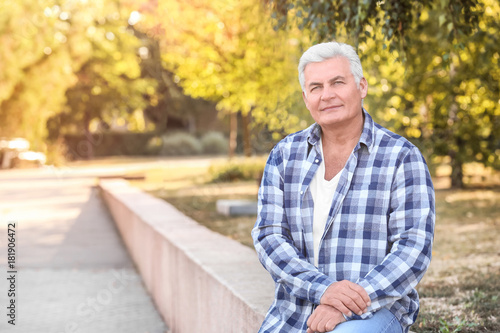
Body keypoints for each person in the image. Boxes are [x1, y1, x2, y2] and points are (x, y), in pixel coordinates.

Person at [251, 41, 435, 333]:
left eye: (337, 82)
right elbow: (269, 236)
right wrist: (322, 291)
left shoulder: (401, 157)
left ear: (361, 87)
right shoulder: (284, 156)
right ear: (305, 97)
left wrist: (346, 303)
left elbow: (413, 250)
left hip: (375, 310)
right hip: (295, 312)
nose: (327, 95)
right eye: (316, 87)